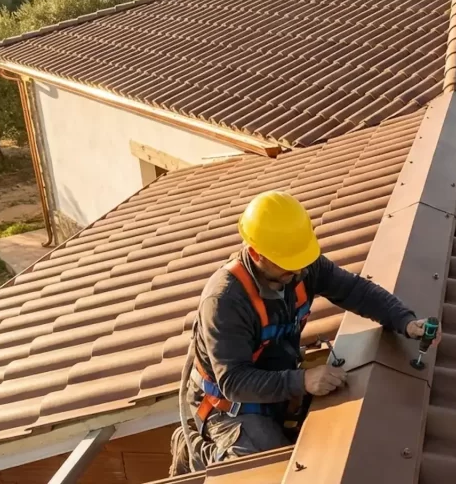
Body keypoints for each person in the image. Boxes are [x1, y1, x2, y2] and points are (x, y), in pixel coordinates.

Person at [169, 190, 441, 475]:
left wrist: (405, 320)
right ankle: (197, 452)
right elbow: (234, 382)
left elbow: (353, 290)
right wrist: (303, 380)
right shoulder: (225, 301)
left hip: (277, 379)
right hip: (229, 405)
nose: (298, 272)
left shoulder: (300, 265)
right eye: (288, 266)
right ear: (255, 254)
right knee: (267, 470)